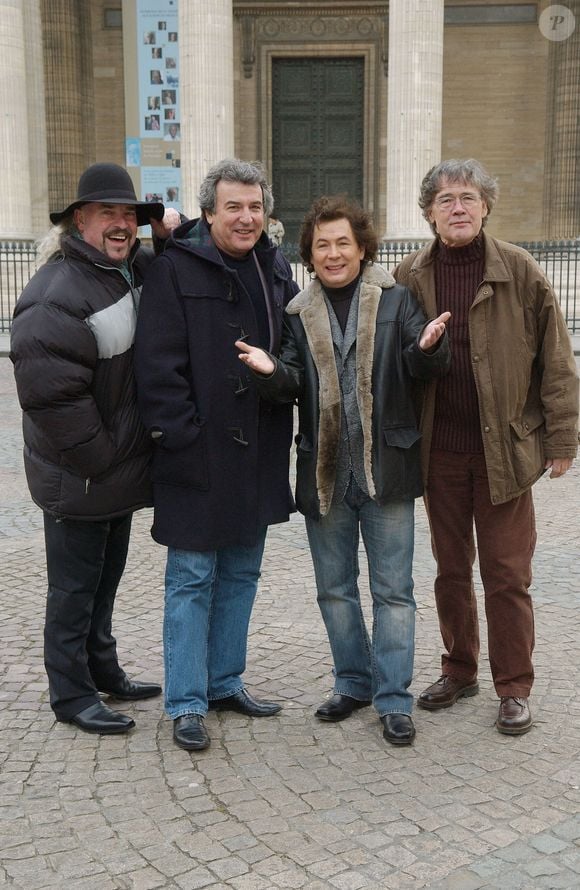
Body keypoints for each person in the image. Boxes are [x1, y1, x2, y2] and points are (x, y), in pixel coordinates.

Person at [236, 196, 451, 745]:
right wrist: (268, 370)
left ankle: (394, 698)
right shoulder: (296, 312)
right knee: (334, 589)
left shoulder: (399, 300)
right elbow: (287, 380)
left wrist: (428, 348)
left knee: (394, 591)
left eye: (343, 244)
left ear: (362, 249)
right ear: (309, 253)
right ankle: (353, 682)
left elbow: (421, 360)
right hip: (325, 470)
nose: (333, 254)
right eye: (322, 245)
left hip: (388, 469)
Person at [394, 158, 579, 735]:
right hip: (440, 453)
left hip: (504, 450)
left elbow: (555, 359)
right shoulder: (408, 277)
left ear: (485, 207)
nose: (458, 208)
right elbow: (395, 364)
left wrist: (562, 437)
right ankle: (459, 668)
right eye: (446, 199)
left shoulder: (519, 270)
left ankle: (514, 686)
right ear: (428, 212)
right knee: (450, 571)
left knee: (506, 573)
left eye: (468, 197)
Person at [134, 158, 299, 752]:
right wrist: (183, 436)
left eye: (255, 206)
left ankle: (225, 681)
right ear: (209, 213)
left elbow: (299, 355)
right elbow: (155, 369)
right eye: (234, 206)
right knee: (191, 577)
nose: (246, 217)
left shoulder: (276, 270)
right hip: (197, 455)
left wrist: (281, 377)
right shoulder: (174, 270)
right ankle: (186, 701)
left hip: (256, 453)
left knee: (241, 573)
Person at [10, 163, 180, 735]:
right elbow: (53, 402)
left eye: (129, 215)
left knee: (104, 583)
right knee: (73, 590)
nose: (122, 225)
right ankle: (72, 694)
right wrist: (105, 460)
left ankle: (103, 671)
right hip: (83, 475)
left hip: (112, 474)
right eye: (108, 213)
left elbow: (180, 268)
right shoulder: (55, 296)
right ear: (78, 219)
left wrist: (170, 234)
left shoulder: (124, 272)